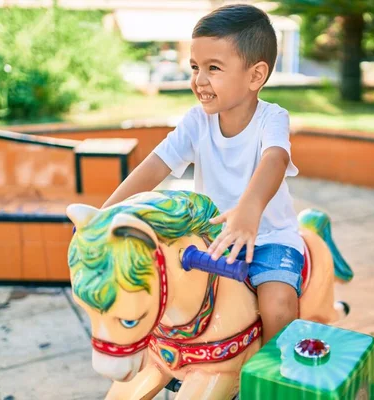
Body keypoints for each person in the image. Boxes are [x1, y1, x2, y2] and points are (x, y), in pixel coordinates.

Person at [101, 4, 303, 344]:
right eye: (195, 67)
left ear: (255, 76)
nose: (199, 80)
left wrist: (248, 211)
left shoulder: (272, 118)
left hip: (267, 238)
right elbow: (155, 165)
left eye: (214, 68)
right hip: (212, 240)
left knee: (278, 305)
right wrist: (105, 214)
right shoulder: (197, 121)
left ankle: (272, 380)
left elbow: (275, 159)